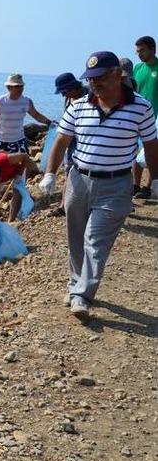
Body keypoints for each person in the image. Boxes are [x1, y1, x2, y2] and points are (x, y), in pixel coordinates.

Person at [40, 51, 158, 320]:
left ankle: (82, 294)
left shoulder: (141, 107)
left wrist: (156, 179)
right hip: (78, 180)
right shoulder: (79, 105)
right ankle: (75, 285)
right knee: (76, 238)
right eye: (90, 78)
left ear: (118, 74)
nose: (94, 83)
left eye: (100, 77)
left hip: (116, 185)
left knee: (96, 241)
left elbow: (151, 144)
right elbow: (60, 142)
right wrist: (50, 173)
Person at [0, 73, 54, 160]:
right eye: (17, 86)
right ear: (9, 87)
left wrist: (49, 122)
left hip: (18, 141)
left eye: (21, 86)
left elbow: (36, 115)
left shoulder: (26, 101)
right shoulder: (0, 101)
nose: (20, 89)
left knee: (21, 168)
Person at [49, 73, 90, 216]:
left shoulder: (90, 97)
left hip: (85, 143)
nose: (63, 95)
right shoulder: (69, 98)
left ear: (73, 87)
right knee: (69, 172)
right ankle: (63, 206)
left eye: (64, 92)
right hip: (71, 142)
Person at [133, 36, 158, 198]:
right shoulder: (137, 68)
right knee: (134, 152)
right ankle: (135, 185)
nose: (139, 54)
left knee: (151, 153)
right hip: (135, 117)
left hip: (155, 118)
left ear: (153, 49)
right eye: (137, 51)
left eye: (142, 50)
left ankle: (147, 187)